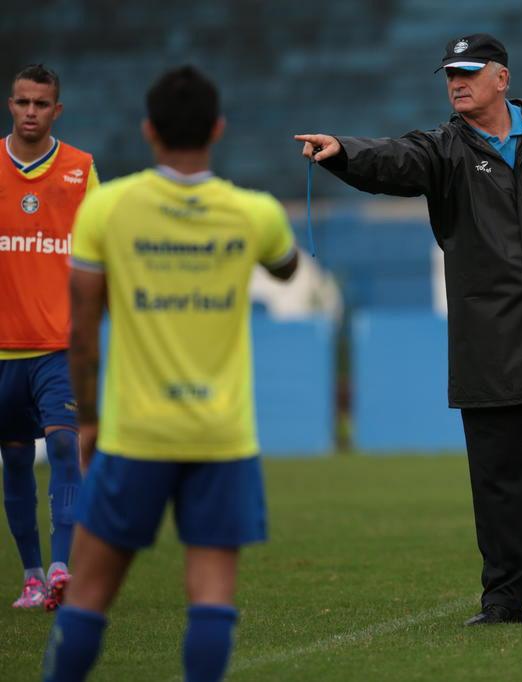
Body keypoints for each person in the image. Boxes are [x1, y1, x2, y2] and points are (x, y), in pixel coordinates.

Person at [297, 33, 522, 625]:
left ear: (501, 78)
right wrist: (344, 151)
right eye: (449, 74)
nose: (456, 82)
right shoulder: (444, 149)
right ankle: (504, 600)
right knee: (499, 484)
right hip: (490, 344)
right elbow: (393, 160)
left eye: (468, 72)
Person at [42, 66, 298, 682]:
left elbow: (82, 331)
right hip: (220, 435)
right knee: (210, 596)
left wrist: (88, 419)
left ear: (148, 130)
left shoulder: (107, 208)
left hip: (135, 432)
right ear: (218, 128)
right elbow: (287, 267)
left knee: (89, 596)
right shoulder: (253, 212)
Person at [1, 64, 99, 610]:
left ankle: (63, 569)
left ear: (56, 110)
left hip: (58, 345)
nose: (31, 112)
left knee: (65, 444)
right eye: (22, 103)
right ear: (10, 105)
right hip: (4, 348)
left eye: (41, 104)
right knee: (15, 459)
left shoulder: (82, 170)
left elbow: (100, 247)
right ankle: (32, 574)